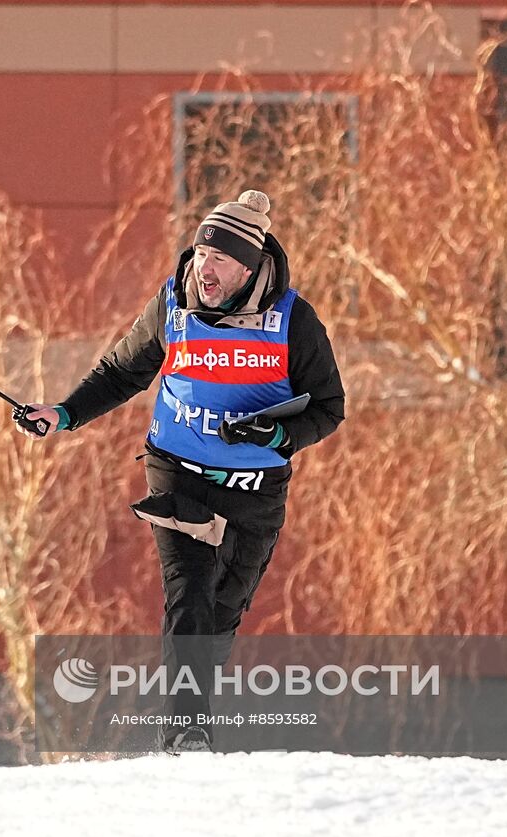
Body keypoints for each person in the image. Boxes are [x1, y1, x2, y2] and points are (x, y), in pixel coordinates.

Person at [18, 190, 345, 752]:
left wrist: (277, 435)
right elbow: (122, 371)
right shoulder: (173, 306)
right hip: (177, 474)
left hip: (254, 490)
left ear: (249, 267)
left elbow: (328, 407)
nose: (203, 267)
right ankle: (185, 732)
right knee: (188, 595)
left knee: (220, 615)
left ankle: (194, 709)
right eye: (199, 253)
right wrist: (63, 414)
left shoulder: (293, 319)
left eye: (218, 259)